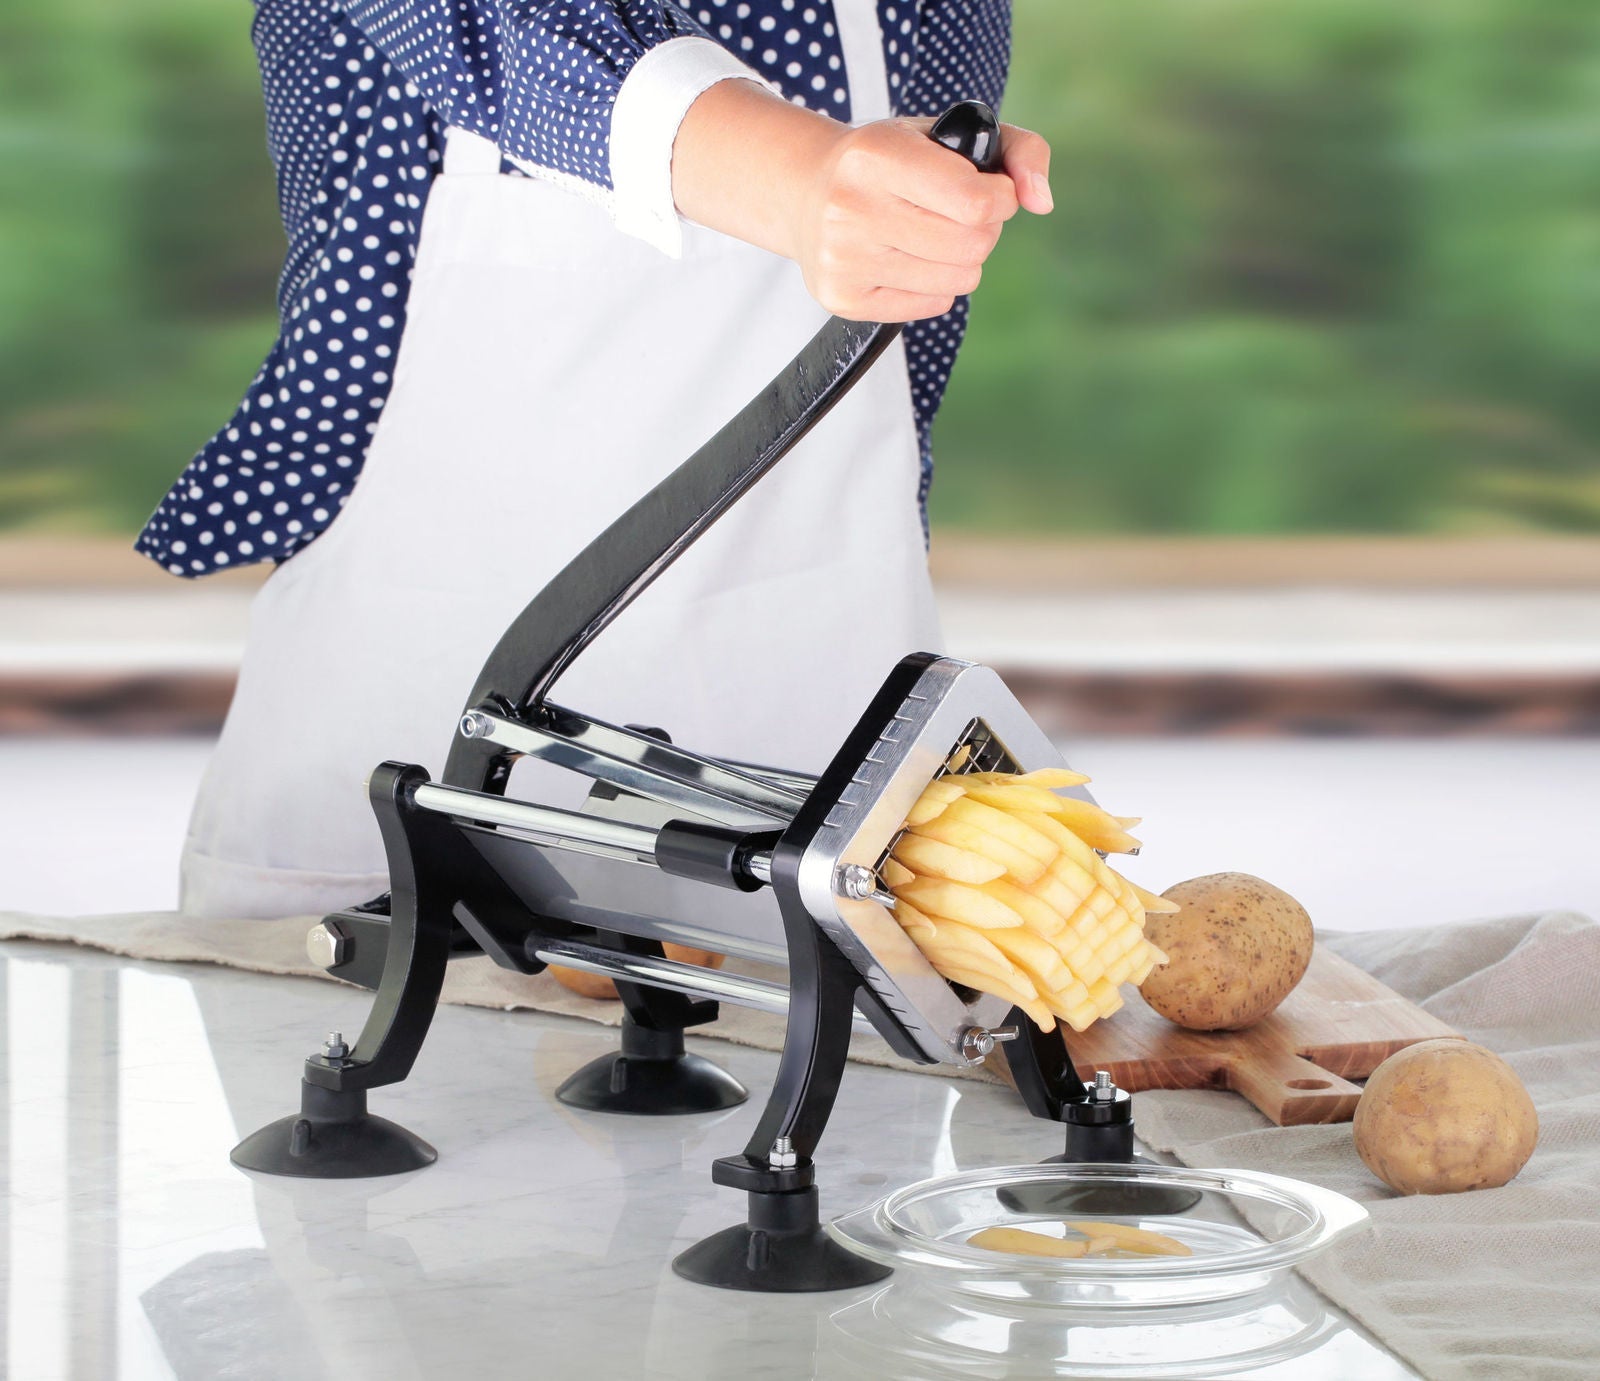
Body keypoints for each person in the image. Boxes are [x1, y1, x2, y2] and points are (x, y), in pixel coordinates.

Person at [140, 0, 1052, 920]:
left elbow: (906, 353)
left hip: (819, 806)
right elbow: (501, 35)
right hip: (402, 825)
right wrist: (807, 178)